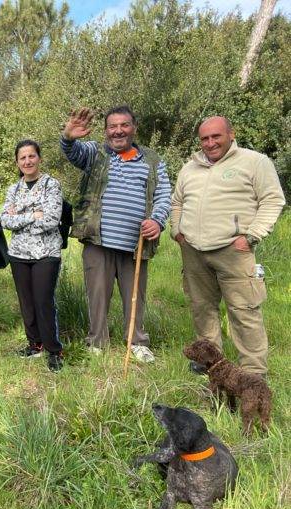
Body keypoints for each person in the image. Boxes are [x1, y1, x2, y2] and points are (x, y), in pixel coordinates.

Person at [171, 116, 285, 376]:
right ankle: (209, 362)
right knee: (202, 308)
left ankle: (253, 371)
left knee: (244, 310)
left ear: (231, 134)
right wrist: (177, 232)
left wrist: (251, 236)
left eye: (216, 136)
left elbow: (273, 199)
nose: (210, 143)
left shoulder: (254, 162)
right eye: (204, 138)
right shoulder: (190, 167)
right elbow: (177, 202)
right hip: (193, 251)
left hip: (234, 251)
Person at [60, 106, 171, 362]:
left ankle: (137, 342)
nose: (118, 131)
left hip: (136, 243)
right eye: (112, 126)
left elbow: (164, 194)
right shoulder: (95, 153)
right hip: (98, 240)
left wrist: (157, 220)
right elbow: (73, 153)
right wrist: (68, 137)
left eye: (124, 125)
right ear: (106, 130)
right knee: (97, 294)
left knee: (136, 296)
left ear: (134, 127)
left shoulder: (152, 160)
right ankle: (96, 343)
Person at [1, 140, 64, 372]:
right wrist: (32, 214)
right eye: (22, 158)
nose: (27, 161)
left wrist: (21, 215)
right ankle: (34, 344)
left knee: (43, 301)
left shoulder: (51, 185)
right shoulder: (13, 189)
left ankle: (53, 349)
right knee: (26, 302)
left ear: (39, 158)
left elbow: (51, 219)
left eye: (31, 156)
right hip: (18, 254)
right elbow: (6, 221)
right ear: (17, 162)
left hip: (46, 252)